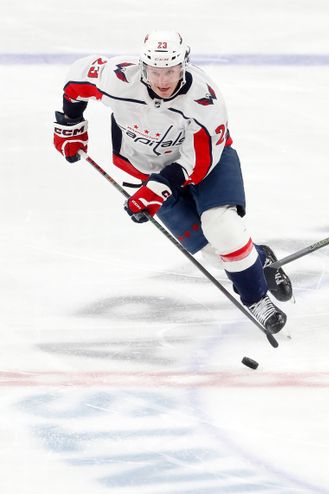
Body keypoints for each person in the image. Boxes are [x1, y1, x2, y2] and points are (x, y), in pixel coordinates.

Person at [52, 31, 292, 333]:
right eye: (155, 71)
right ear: (143, 67)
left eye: (170, 71)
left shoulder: (204, 99)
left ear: (183, 66)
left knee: (223, 228)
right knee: (211, 253)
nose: (163, 80)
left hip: (208, 163)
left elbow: (198, 162)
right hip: (144, 169)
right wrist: (71, 124)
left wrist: (159, 188)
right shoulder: (119, 78)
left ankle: (257, 300)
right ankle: (259, 258)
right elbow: (77, 79)